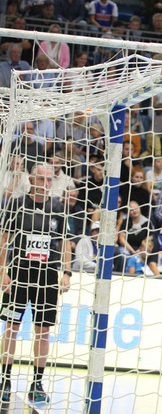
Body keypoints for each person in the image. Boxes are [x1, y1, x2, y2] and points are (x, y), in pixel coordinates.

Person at [0, 164, 71, 404]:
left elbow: (65, 242)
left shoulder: (58, 207)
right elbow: (4, 240)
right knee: (11, 327)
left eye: (49, 180)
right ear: (31, 180)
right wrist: (2, 271)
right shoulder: (17, 205)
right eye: (41, 179)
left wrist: (66, 273)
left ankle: (37, 384)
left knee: (43, 331)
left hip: (47, 276)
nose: (45, 184)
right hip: (19, 273)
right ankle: (5, 380)